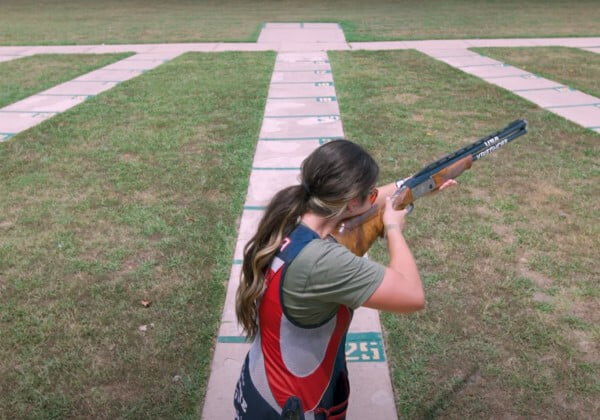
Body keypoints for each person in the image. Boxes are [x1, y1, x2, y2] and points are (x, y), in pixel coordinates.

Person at [234, 140, 456, 419]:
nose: (376, 198)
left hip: (261, 390)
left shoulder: (291, 216)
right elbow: (412, 296)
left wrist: (419, 186)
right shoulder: (322, 261)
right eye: (371, 194)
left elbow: (375, 203)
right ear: (352, 203)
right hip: (295, 407)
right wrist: (393, 228)